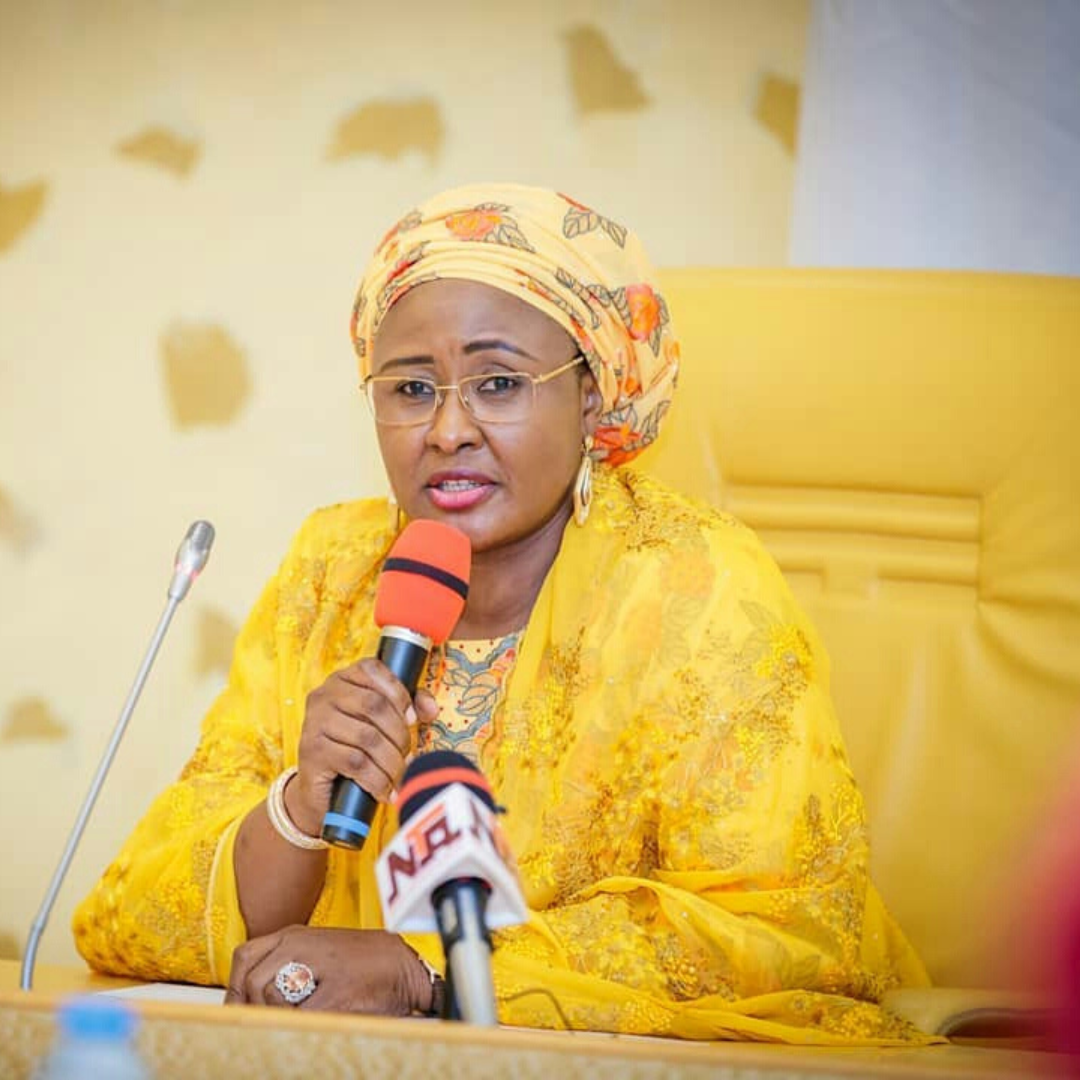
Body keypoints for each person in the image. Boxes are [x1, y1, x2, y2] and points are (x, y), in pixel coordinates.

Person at [73, 183, 934, 1043]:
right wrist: (298, 808)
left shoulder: (696, 589)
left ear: (591, 395)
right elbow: (136, 910)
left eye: (497, 382)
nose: (447, 430)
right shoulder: (329, 571)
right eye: (411, 388)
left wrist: (422, 970)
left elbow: (787, 934)